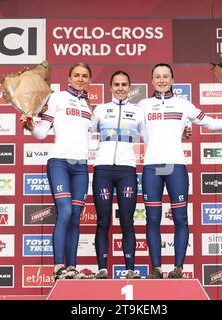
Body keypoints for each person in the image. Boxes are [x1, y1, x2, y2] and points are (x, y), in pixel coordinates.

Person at [139, 63, 222, 279]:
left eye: (166, 76)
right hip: (151, 166)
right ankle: (156, 269)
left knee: (180, 218)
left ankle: (178, 269)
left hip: (176, 166)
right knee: (152, 219)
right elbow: (128, 129)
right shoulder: (143, 105)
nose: (161, 80)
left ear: (172, 80)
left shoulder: (183, 104)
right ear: (152, 80)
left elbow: (210, 123)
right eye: (157, 77)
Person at [20, 62, 94, 280]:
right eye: (76, 75)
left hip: (81, 166)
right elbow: (42, 133)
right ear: (69, 78)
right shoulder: (57, 97)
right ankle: (58, 267)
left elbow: (88, 140)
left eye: (85, 76)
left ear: (89, 79)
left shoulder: (88, 106)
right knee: (66, 211)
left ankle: (72, 268)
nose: (80, 79)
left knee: (76, 217)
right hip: (59, 162)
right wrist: (31, 125)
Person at [90, 71, 145, 280]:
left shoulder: (137, 112)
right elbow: (84, 133)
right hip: (103, 169)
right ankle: (102, 270)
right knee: (103, 221)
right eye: (116, 84)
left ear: (130, 88)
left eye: (124, 84)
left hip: (127, 170)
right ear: (110, 87)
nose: (120, 88)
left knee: (127, 221)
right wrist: (97, 146)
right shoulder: (101, 110)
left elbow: (151, 137)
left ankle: (130, 270)